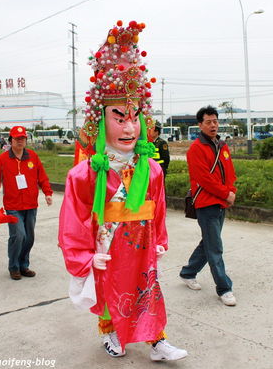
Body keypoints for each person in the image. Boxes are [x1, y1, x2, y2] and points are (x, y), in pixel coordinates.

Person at [58, 20, 187, 362]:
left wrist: (160, 237)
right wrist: (85, 256)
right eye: (119, 117)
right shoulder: (84, 173)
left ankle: (157, 340)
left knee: (149, 289)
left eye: (134, 117)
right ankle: (110, 331)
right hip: (108, 243)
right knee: (108, 291)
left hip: (143, 243)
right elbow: (74, 220)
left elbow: (157, 207)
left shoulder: (152, 169)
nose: (129, 127)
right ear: (100, 121)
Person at [179, 105, 238, 306]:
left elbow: (229, 172)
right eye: (208, 122)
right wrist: (225, 193)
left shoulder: (222, 145)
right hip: (207, 203)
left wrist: (231, 192)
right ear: (200, 125)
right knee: (215, 247)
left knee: (209, 243)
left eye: (215, 121)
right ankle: (224, 288)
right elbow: (204, 179)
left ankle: (188, 272)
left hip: (221, 201)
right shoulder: (196, 149)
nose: (213, 125)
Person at [0, 126, 53, 280]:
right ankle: (14, 266)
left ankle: (24, 265)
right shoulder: (2, 160)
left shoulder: (33, 157)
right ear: (11, 140)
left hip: (30, 204)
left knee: (29, 237)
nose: (20, 141)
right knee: (18, 235)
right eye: (17, 138)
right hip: (13, 206)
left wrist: (47, 193)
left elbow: (42, 176)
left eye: (23, 138)